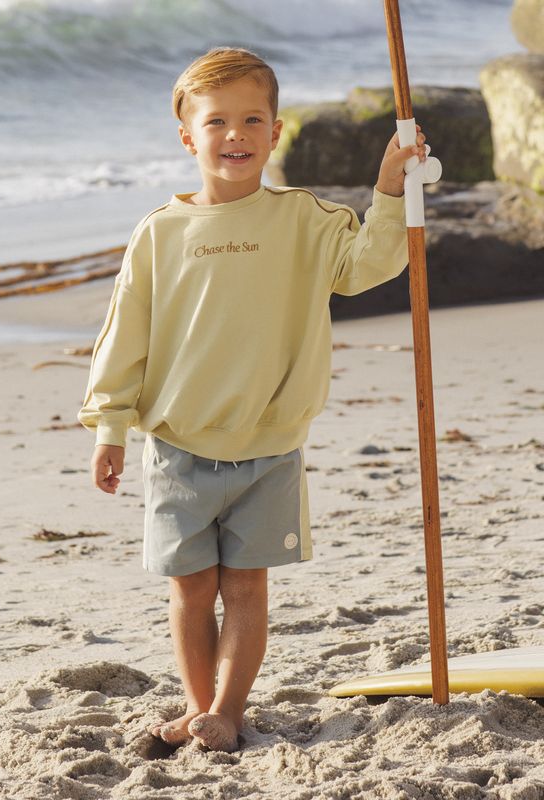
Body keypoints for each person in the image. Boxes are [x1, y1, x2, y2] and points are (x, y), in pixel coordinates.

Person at [77, 46, 428, 753]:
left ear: (275, 133)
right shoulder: (159, 232)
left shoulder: (304, 219)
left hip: (270, 448)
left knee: (245, 588)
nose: (234, 134)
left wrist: (390, 189)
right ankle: (198, 706)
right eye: (216, 122)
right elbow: (125, 333)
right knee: (189, 589)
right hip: (178, 446)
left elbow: (371, 263)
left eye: (251, 120)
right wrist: (109, 426)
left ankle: (228, 711)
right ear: (188, 137)